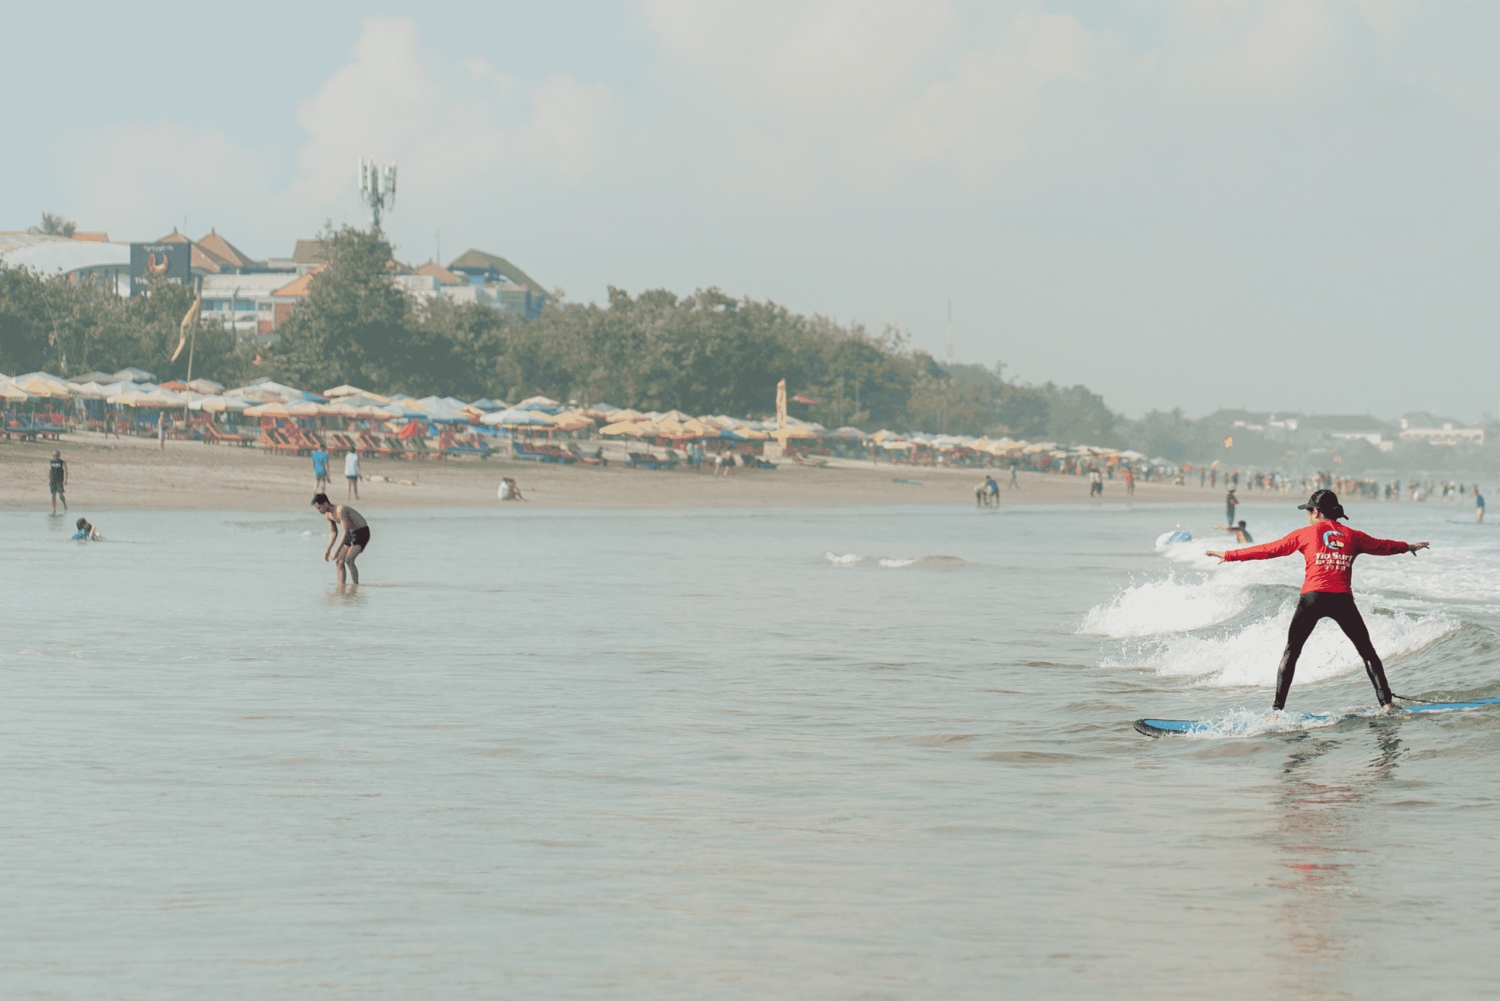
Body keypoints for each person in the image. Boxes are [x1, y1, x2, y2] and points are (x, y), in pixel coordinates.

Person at [1205, 489, 1429, 712]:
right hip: (1342, 599)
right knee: (1368, 653)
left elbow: (1269, 550)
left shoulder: (1305, 534)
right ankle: (1387, 705)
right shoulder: (1354, 536)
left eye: (1308, 511)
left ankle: (1276, 712)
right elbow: (1382, 546)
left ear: (1315, 512)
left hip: (1312, 598)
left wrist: (1229, 555)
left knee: (1291, 653)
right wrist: (1407, 547)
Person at [313, 493, 370, 585]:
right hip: (351, 533)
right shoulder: (328, 515)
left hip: (361, 532)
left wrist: (337, 550)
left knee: (349, 559)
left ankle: (356, 586)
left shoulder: (340, 510)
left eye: (319, 508)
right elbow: (333, 532)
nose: (319, 511)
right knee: (339, 561)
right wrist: (328, 550)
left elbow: (345, 531)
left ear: (326, 503)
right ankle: (341, 587)